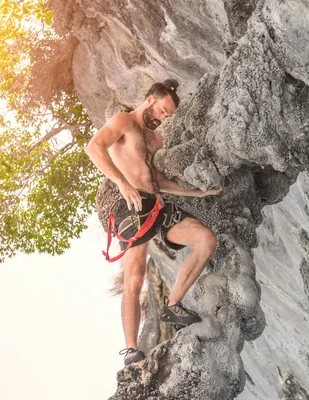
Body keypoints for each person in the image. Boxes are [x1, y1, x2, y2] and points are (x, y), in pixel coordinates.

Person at [85, 79, 222, 366]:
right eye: (160, 111)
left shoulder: (156, 140)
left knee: (206, 240)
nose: (161, 119)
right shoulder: (124, 122)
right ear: (149, 99)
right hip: (131, 207)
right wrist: (122, 184)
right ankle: (131, 350)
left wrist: (200, 192)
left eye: (166, 116)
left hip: (157, 205)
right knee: (135, 277)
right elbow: (94, 148)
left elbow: (158, 181)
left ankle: (172, 305)